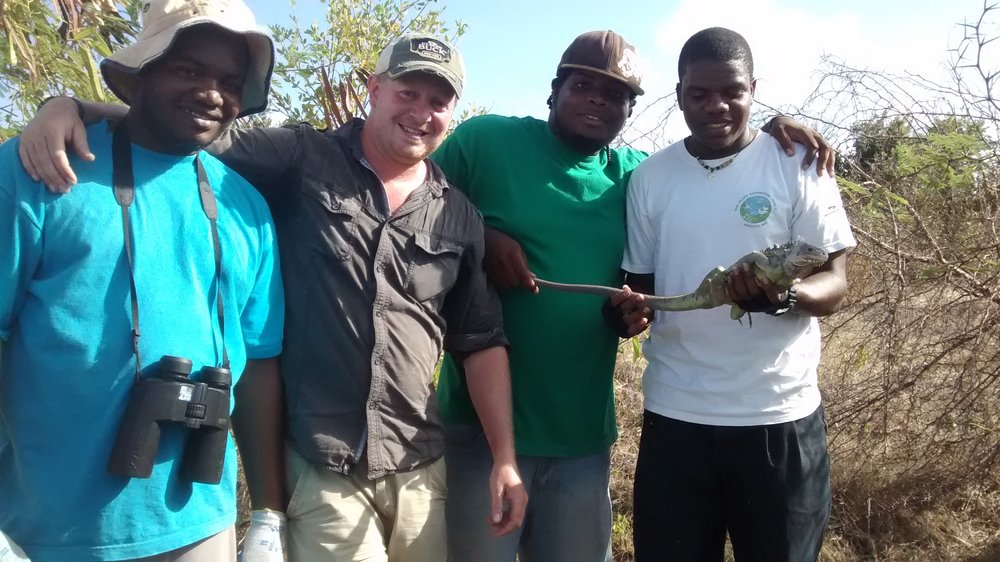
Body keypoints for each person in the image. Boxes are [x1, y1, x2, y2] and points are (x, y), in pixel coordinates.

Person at [17, 33, 526, 562]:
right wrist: (71, 108)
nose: (421, 112)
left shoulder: (458, 214)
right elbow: (187, 131)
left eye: (438, 101)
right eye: (407, 93)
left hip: (420, 465)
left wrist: (505, 459)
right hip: (323, 465)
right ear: (375, 89)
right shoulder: (302, 156)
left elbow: (480, 339)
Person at [430, 30, 836, 562]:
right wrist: (481, 237)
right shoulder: (486, 141)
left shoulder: (633, 176)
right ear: (554, 90)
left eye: (617, 94)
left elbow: (714, 174)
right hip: (479, 431)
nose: (599, 99)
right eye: (583, 85)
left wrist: (772, 131)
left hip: (580, 437)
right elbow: (413, 193)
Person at [0, 0, 284, 560]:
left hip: (200, 519)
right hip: (46, 527)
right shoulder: (42, 169)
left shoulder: (246, 206)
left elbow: (260, 364)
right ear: (140, 74)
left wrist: (268, 514)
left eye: (230, 81)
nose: (212, 92)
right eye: (188, 70)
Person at [619, 27, 856, 561]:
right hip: (676, 417)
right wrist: (627, 314)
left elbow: (837, 282)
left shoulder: (798, 162)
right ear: (678, 94)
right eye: (698, 94)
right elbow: (643, 291)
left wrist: (784, 295)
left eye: (732, 92)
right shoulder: (650, 178)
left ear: (754, 88)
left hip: (780, 417)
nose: (716, 106)